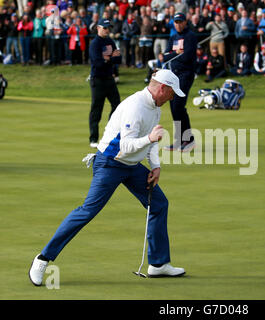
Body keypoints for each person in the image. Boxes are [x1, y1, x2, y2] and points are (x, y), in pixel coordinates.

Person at [28, 69, 187, 287]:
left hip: (132, 166)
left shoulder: (156, 108)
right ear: (163, 88)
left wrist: (156, 166)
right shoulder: (135, 106)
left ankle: (158, 264)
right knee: (88, 211)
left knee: (158, 203)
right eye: (171, 93)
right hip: (110, 163)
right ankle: (43, 259)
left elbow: (151, 141)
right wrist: (150, 138)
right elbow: (126, 145)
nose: (172, 98)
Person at [162, 12, 197, 152]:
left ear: (185, 22)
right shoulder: (173, 37)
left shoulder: (190, 36)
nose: (178, 24)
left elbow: (188, 57)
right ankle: (179, 140)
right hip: (173, 75)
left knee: (178, 105)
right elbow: (165, 56)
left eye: (180, 22)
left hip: (186, 74)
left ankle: (189, 140)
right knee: (173, 107)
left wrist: (175, 56)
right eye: (175, 22)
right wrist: (176, 54)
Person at [88, 18, 122, 148]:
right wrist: (110, 59)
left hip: (109, 79)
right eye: (105, 28)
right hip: (98, 79)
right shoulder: (95, 44)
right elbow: (97, 62)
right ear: (98, 28)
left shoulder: (110, 41)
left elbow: (119, 58)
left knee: (117, 106)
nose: (107, 30)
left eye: (108, 28)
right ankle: (93, 138)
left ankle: (109, 133)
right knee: (97, 109)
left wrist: (108, 59)